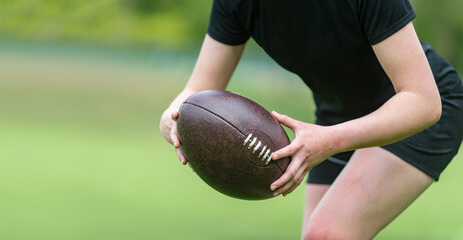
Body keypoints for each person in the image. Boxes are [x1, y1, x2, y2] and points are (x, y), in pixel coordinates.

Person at [159, 0, 463, 239]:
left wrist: (329, 140)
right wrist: (172, 117)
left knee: (327, 235)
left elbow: (424, 102)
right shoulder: (237, 3)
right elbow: (197, 92)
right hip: (334, 118)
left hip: (416, 109)